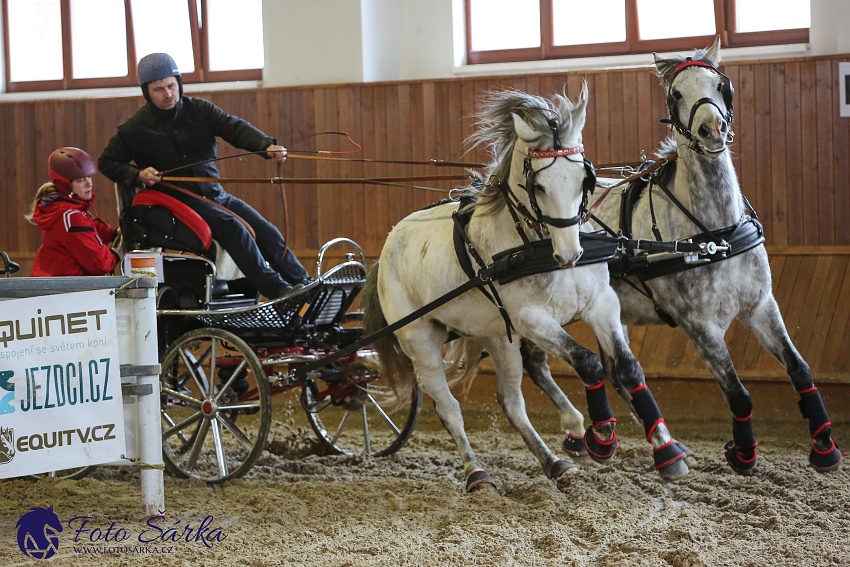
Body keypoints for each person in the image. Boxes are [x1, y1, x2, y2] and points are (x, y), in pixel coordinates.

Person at [98, 52, 311, 299]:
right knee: (234, 229)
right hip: (179, 203)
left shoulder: (199, 109)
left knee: (265, 230)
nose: (167, 94)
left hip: (215, 195)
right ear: (147, 92)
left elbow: (233, 128)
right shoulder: (134, 128)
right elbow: (107, 162)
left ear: (179, 83)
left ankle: (304, 282)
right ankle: (279, 291)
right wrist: (137, 174)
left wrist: (265, 145)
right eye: (159, 90)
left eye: (171, 86)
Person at [26, 147, 120, 277]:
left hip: (55, 286)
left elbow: (85, 232)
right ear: (65, 185)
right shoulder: (71, 217)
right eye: (80, 180)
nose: (89, 184)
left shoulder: (62, 209)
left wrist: (113, 233)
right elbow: (100, 264)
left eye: (89, 177)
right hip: (67, 292)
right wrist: (118, 252)